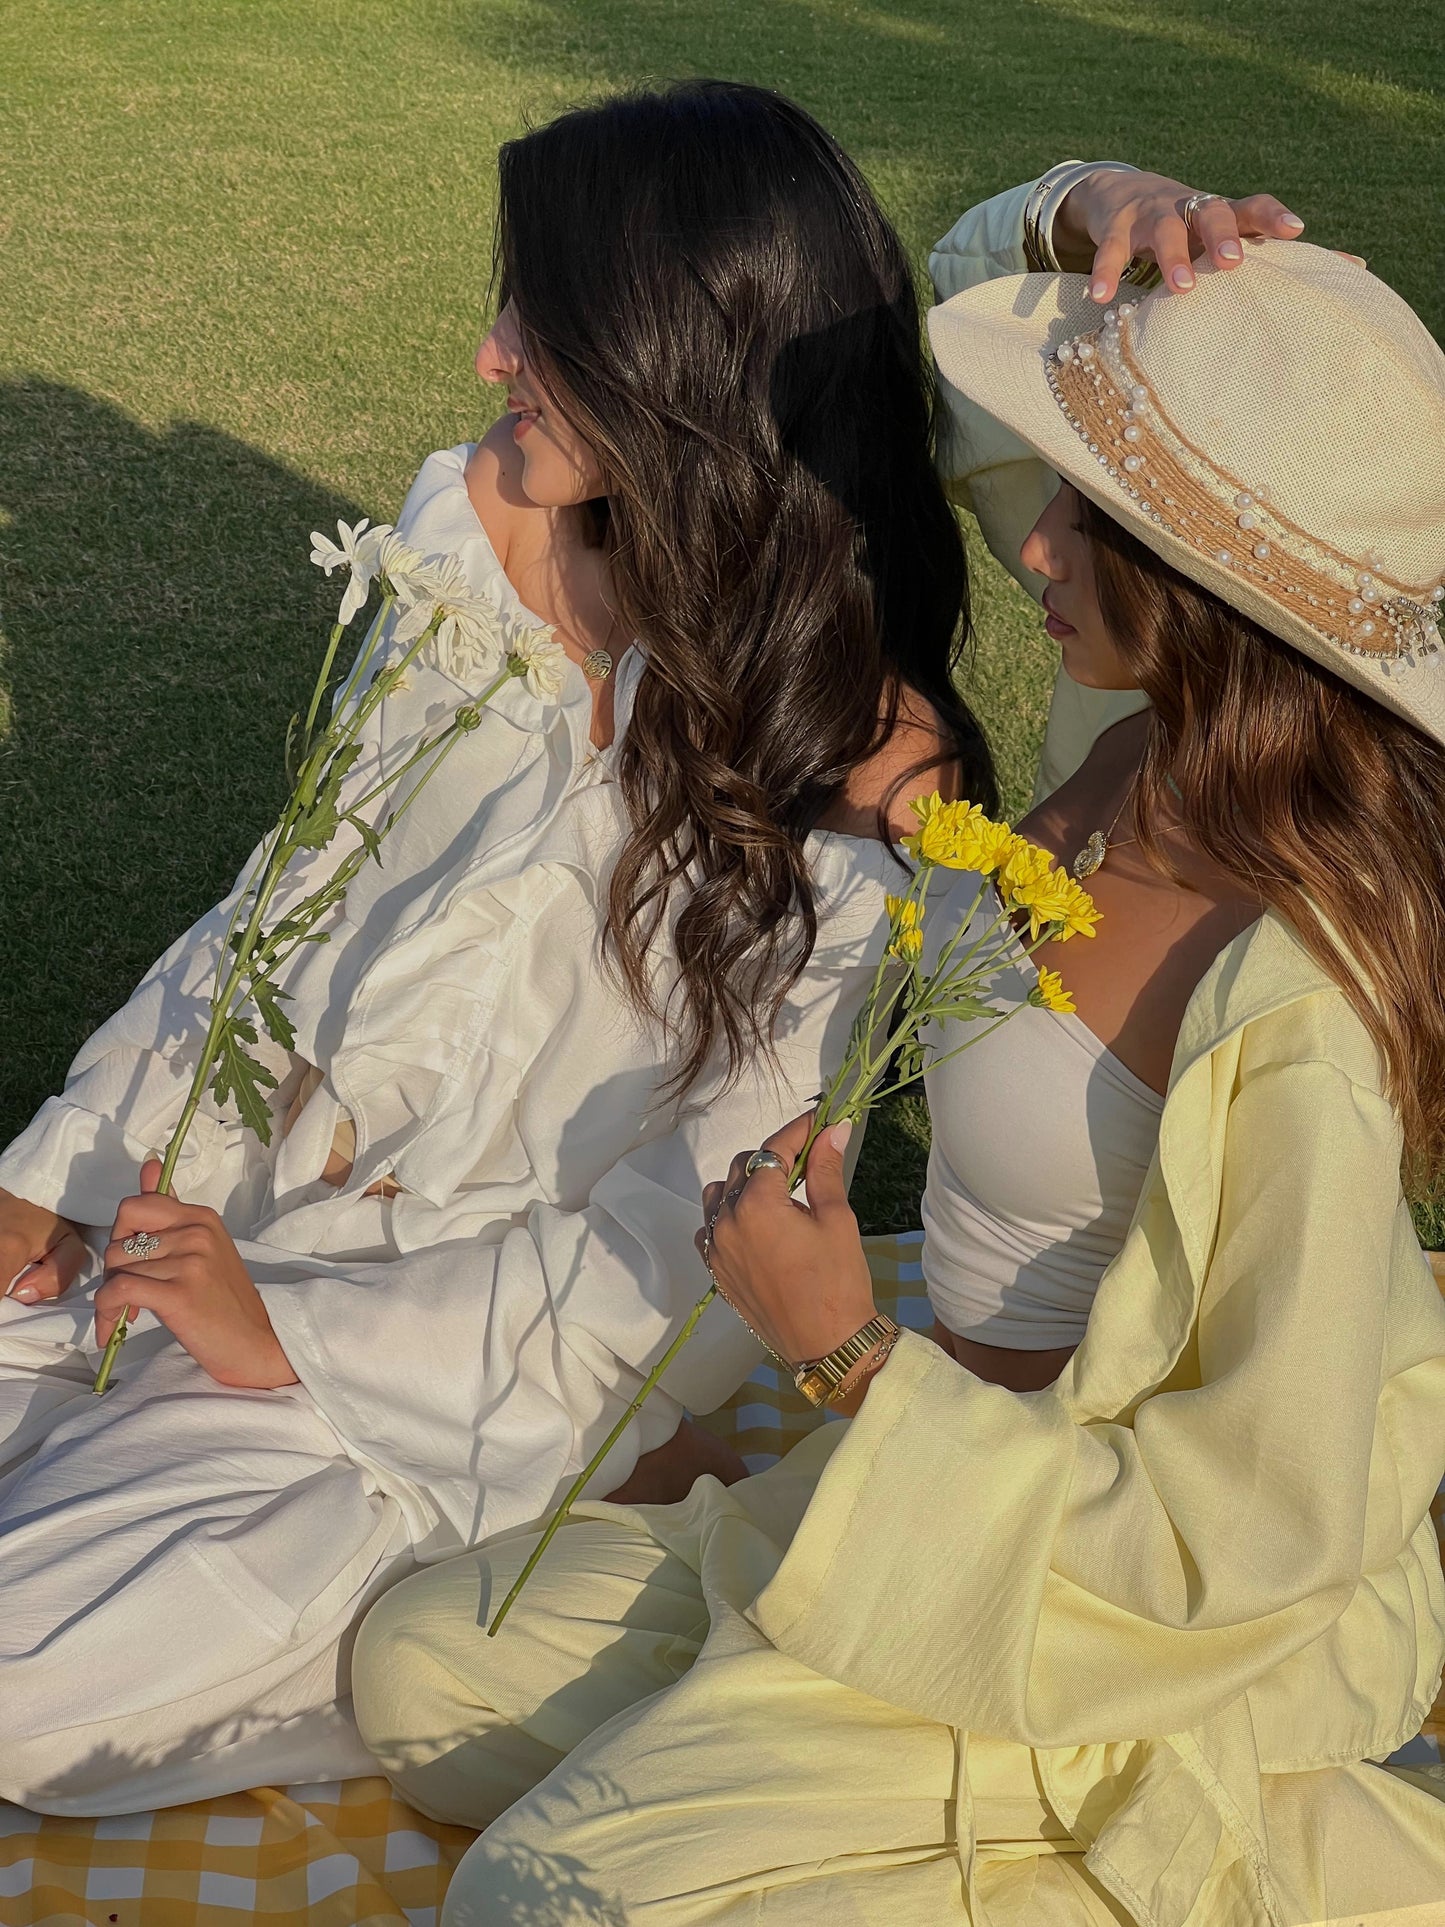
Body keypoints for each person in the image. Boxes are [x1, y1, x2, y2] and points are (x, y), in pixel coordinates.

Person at [351, 226, 1445, 1923]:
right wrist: (1100, 207)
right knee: (423, 1670)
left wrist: (847, 1357)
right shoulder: (1135, 741)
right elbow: (960, 319)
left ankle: (1256, 1839)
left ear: (1214, 586)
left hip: (1116, 1612)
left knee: (543, 1896)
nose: (1030, 539)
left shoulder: (1291, 1005)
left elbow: (1244, 1537)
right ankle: (832, 1749)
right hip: (926, 1492)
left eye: (1089, 515)